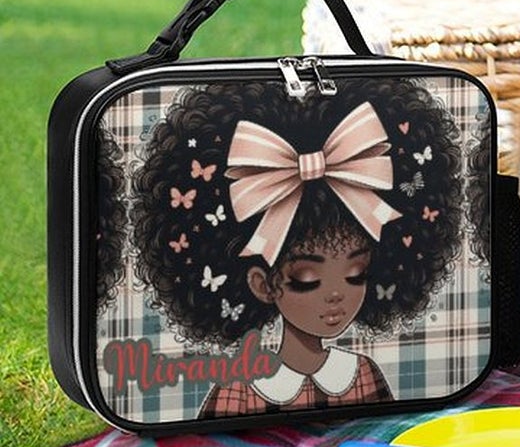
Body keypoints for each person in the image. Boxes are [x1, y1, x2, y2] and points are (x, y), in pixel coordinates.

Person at [131, 76, 464, 418]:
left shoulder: (361, 374)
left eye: (356, 275)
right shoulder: (240, 386)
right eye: (307, 279)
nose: (336, 295)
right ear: (262, 284)